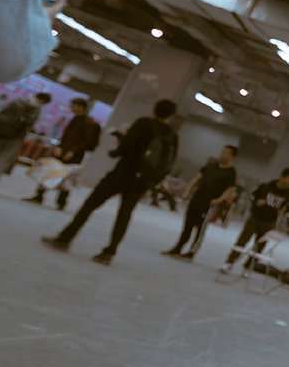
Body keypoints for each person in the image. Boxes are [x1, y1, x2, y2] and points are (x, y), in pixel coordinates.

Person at [41, 98, 179, 263]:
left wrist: (116, 146)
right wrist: (151, 180)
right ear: (171, 115)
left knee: (90, 205)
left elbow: (127, 146)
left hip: (123, 173)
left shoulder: (143, 123)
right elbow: (169, 162)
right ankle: (109, 252)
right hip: (142, 181)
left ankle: (65, 238)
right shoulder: (172, 135)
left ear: (155, 109)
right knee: (124, 214)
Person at [162, 145, 240, 259]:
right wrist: (188, 191)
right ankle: (178, 248)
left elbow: (230, 190)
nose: (222, 154)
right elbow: (197, 178)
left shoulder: (231, 172)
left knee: (200, 228)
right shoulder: (211, 165)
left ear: (232, 156)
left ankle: (192, 252)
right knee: (187, 225)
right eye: (222, 151)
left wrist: (218, 200)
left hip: (210, 203)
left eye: (226, 153)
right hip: (197, 198)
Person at [26, 96, 101, 208]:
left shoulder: (89, 123)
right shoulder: (75, 119)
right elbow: (66, 137)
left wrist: (73, 151)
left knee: (66, 177)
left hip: (75, 154)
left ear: (81, 107)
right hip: (63, 151)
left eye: (73, 106)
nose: (71, 108)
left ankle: (61, 201)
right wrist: (59, 147)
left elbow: (88, 142)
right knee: (51, 172)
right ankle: (40, 196)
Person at [0, 90, 49, 192]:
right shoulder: (36, 110)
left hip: (0, 134)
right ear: (43, 102)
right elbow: (29, 124)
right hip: (16, 138)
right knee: (2, 161)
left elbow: (0, 115)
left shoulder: (17, 102)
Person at [222, 167, 289, 273]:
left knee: (260, 247)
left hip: (270, 223)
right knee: (242, 241)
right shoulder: (266, 187)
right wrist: (256, 202)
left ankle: (248, 267)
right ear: (282, 177)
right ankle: (229, 263)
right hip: (255, 218)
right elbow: (252, 196)